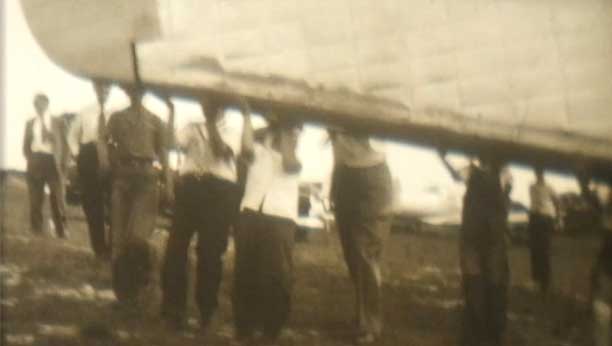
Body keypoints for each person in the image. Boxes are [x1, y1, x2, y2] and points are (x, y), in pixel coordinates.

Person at [160, 97, 244, 331]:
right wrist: (171, 111)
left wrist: (209, 123)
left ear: (223, 107)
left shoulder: (233, 130)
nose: (209, 108)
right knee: (176, 248)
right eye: (207, 104)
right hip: (190, 187)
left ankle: (207, 311)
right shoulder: (192, 125)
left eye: (214, 105)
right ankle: (173, 309)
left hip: (219, 191)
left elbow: (219, 152)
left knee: (210, 252)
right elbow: (168, 143)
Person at [232, 110, 302, 346]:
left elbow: (291, 164)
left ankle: (271, 329)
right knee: (245, 272)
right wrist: (247, 116)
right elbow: (246, 149)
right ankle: (244, 329)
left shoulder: (293, 152)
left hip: (280, 216)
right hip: (252, 211)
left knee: (277, 275)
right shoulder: (258, 149)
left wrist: (285, 131)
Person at [105, 83, 172, 306]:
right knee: (118, 237)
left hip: (147, 177)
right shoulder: (116, 118)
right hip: (123, 176)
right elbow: (106, 143)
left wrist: (169, 184)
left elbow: (164, 153)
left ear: (145, 93)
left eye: (140, 91)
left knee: (138, 238)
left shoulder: (155, 120)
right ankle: (122, 293)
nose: (136, 94)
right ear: (127, 92)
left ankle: (141, 286)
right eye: (132, 90)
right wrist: (113, 164)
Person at [329, 130, 393, 344]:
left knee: (366, 254)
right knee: (352, 254)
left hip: (372, 173)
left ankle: (370, 324)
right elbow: (335, 142)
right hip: (346, 174)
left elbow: (372, 137)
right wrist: (335, 180)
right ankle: (362, 317)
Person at [459, 156, 510, 346]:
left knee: (480, 286)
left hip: (480, 235)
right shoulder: (499, 176)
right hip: (486, 236)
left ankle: (481, 334)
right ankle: (488, 334)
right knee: (489, 285)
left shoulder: (480, 174)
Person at [67, 81, 112, 259]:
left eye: (107, 88)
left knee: (113, 203)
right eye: (101, 88)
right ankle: (99, 249)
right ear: (95, 89)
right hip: (88, 154)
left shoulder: (115, 112)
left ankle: (113, 247)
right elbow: (71, 135)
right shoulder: (86, 111)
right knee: (92, 203)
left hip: (109, 154)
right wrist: (78, 154)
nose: (104, 92)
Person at [22, 93, 69, 238]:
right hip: (36, 161)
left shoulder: (59, 122)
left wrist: (63, 164)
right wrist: (31, 158)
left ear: (47, 104)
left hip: (52, 162)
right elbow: (25, 146)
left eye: (41, 103)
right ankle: (36, 230)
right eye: (35, 104)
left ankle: (61, 230)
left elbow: (66, 145)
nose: (38, 106)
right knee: (35, 198)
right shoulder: (30, 123)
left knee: (57, 198)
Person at [527, 167, 559, 294]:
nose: (539, 175)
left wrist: (557, 217)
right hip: (535, 217)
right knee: (535, 250)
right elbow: (534, 203)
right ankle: (536, 280)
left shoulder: (549, 187)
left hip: (545, 218)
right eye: (537, 172)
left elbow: (557, 201)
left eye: (540, 173)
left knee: (544, 250)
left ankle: (545, 282)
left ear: (543, 174)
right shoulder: (532, 187)